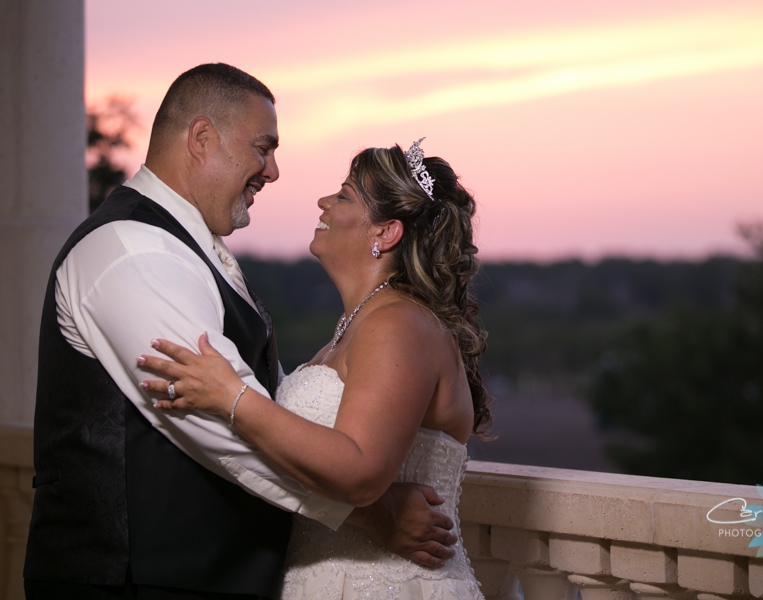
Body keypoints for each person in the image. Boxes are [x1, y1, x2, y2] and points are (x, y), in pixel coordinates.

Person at [24, 64, 455, 600]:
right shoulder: (130, 249)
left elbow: (258, 405)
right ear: (202, 138)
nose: (273, 172)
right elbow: (211, 422)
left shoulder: (189, 250)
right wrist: (365, 513)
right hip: (132, 576)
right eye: (262, 148)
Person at [139, 138, 491, 599]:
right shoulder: (358, 325)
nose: (324, 202)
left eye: (344, 195)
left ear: (385, 233)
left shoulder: (398, 323)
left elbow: (361, 469)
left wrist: (232, 397)